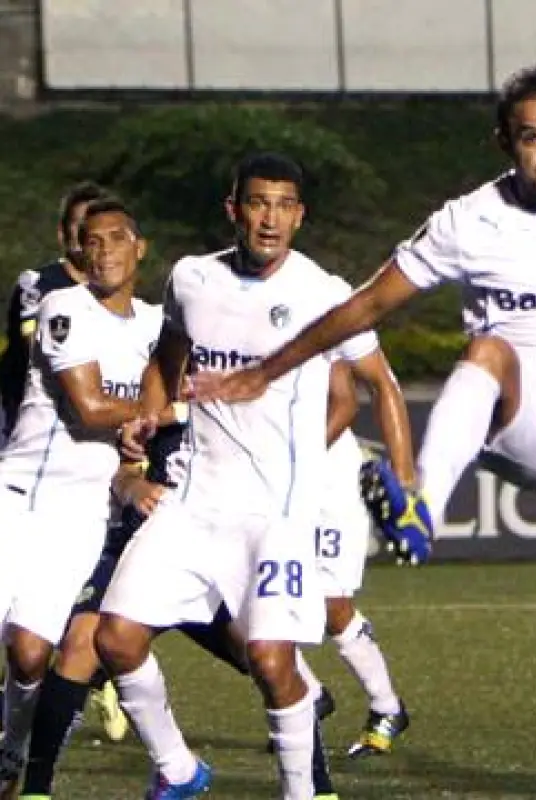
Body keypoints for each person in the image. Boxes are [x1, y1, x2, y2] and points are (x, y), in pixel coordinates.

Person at [191, 64, 536, 800]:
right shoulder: (466, 220)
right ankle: (420, 506)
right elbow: (366, 306)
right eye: (532, 138)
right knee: (491, 349)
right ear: (505, 140)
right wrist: (266, 369)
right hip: (505, 413)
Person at [93, 152, 424, 799]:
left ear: (299, 216)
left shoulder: (324, 293)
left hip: (275, 517)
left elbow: (379, 383)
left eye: (283, 205)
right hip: (192, 504)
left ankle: (303, 791)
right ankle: (180, 770)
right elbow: (167, 358)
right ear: (233, 210)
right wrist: (145, 421)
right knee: (116, 638)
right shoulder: (192, 278)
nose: (269, 218)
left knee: (273, 665)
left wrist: (408, 486)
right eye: (257, 203)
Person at [0, 198, 173, 796]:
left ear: (139, 247)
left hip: (81, 513)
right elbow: (91, 407)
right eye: (92, 242)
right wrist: (151, 412)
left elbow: (183, 389)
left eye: (116, 239)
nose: (103, 252)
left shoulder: (155, 326)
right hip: (17, 495)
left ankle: (11, 751)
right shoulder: (62, 308)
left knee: (29, 654)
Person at [317, 361, 410, 759]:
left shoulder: (311, 311)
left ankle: (387, 707)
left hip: (327, 485)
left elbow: (344, 403)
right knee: (244, 602)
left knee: (330, 606)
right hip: (268, 483)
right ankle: (308, 700)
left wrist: (294, 459)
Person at [0, 182, 112, 441]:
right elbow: (37, 352)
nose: (88, 235)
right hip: (18, 417)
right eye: (79, 225)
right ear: (62, 234)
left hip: (79, 424)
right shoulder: (37, 285)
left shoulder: (116, 295)